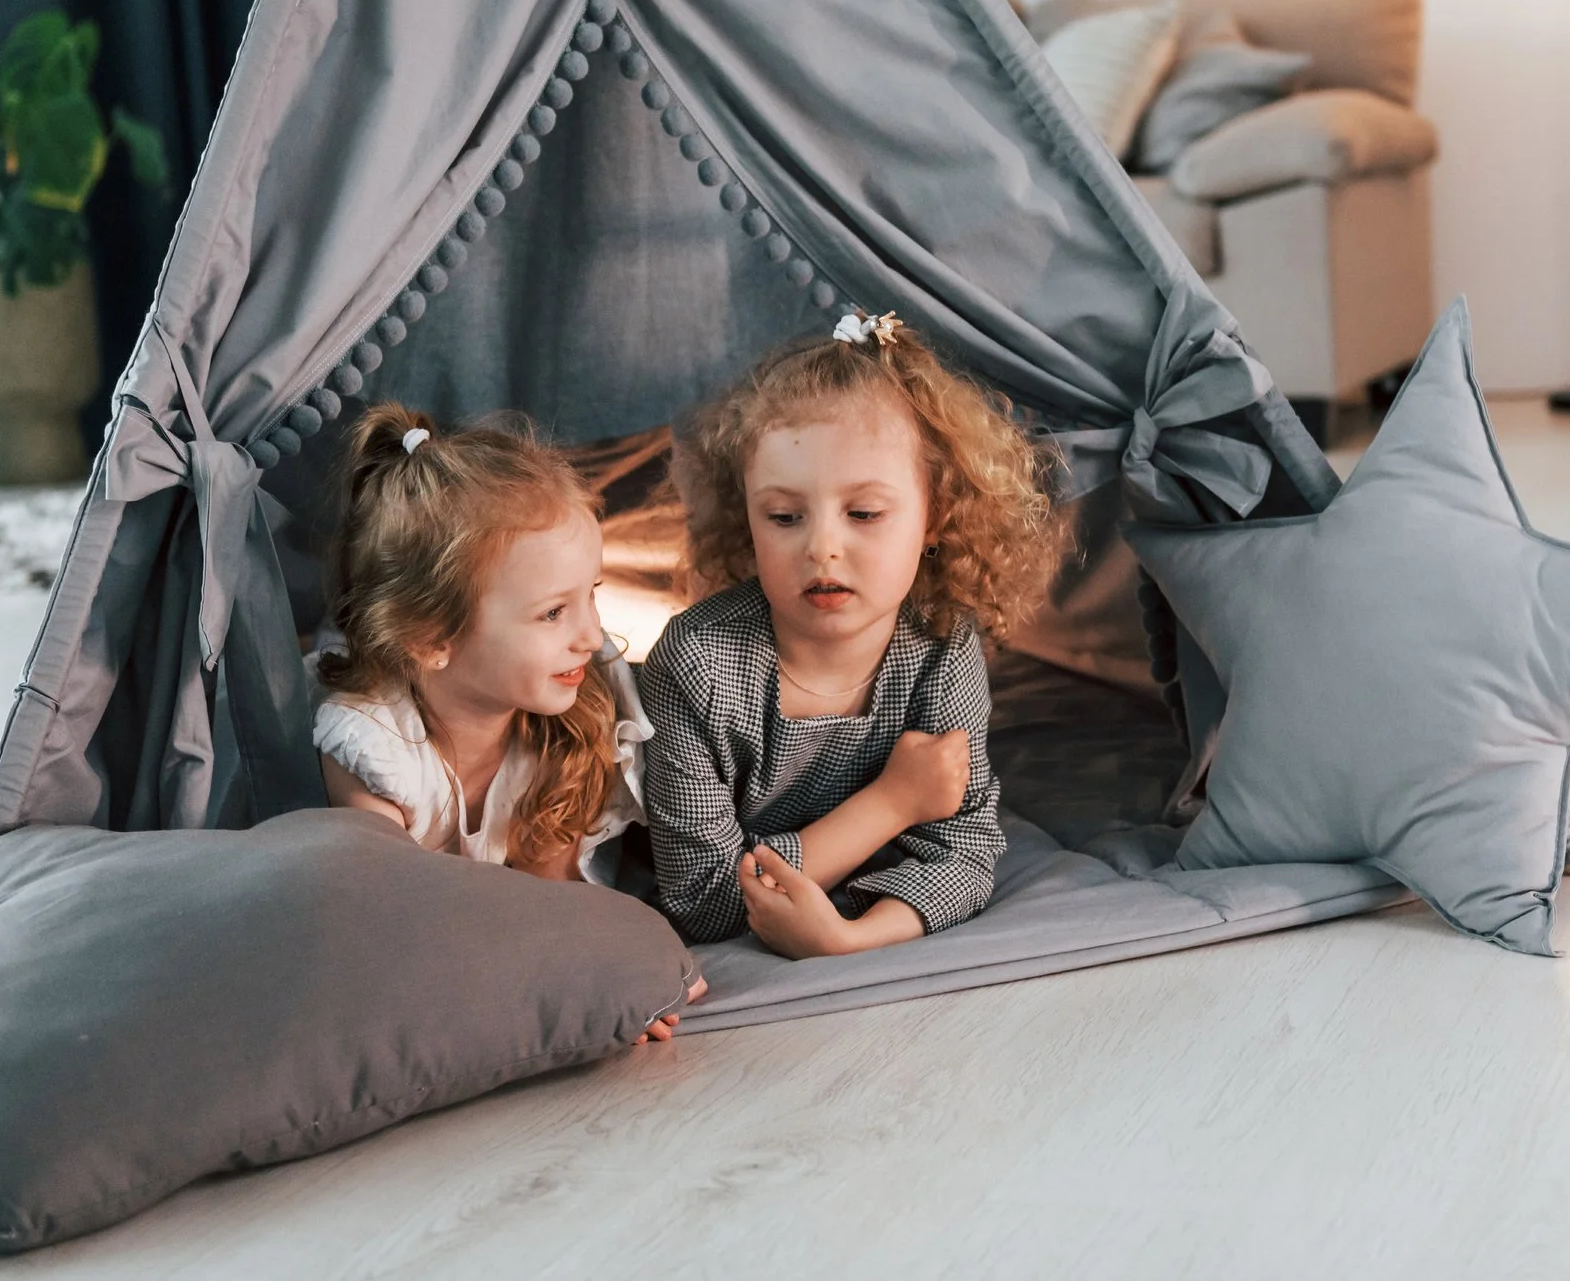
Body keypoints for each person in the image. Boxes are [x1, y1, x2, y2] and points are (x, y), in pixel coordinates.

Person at [643, 311, 1065, 957]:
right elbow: (702, 898)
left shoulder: (943, 645)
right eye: (784, 515)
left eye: (864, 513)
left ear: (935, 516)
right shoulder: (697, 662)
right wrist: (892, 804)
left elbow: (966, 852)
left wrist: (848, 935)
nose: (822, 548)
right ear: (745, 515)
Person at [314, 403, 699, 1037]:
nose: (592, 635)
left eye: (592, 595)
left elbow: (551, 902)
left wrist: (618, 969)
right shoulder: (370, 746)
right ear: (432, 637)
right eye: (553, 613)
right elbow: (397, 930)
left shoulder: (572, 720)